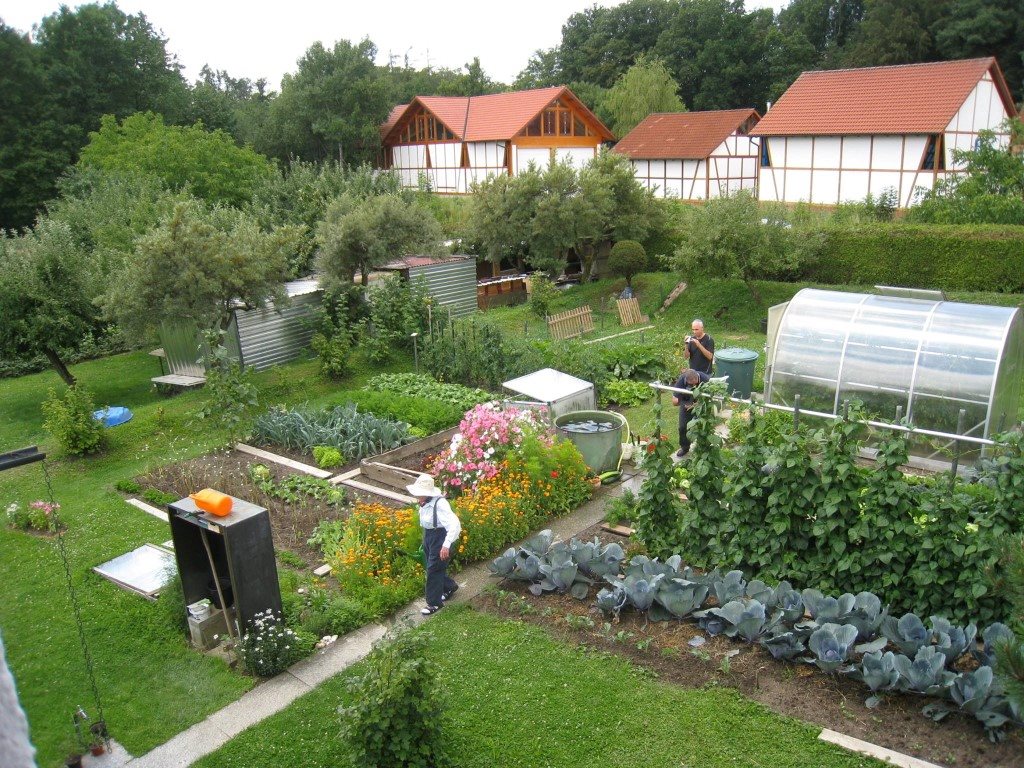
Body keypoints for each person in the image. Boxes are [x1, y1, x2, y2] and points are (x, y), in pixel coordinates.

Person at [406, 473, 462, 616]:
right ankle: (449, 587)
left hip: (440, 537)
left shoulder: (440, 504)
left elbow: (454, 524)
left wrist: (446, 544)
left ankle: (433, 603)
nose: (417, 497)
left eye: (419, 494)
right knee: (433, 566)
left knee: (433, 570)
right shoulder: (424, 503)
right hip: (429, 536)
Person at [672, 368, 710, 458]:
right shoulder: (681, 380)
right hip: (686, 402)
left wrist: (695, 405)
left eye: (695, 383)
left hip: (701, 403)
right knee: (682, 427)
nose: (693, 385)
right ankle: (685, 447)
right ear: (686, 379)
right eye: (690, 384)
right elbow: (674, 401)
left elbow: (709, 398)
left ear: (697, 377)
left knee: (703, 426)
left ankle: (703, 448)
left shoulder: (705, 379)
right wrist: (682, 403)